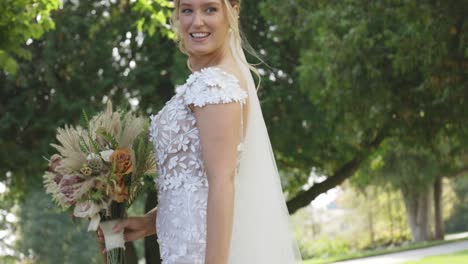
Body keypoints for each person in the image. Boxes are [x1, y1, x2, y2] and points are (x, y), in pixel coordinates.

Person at [98, 0, 303, 263]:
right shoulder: (212, 81)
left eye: (209, 9)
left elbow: (223, 183)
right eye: (187, 10)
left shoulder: (214, 85)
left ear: (232, 14)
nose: (197, 21)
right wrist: (150, 222)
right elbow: (196, 185)